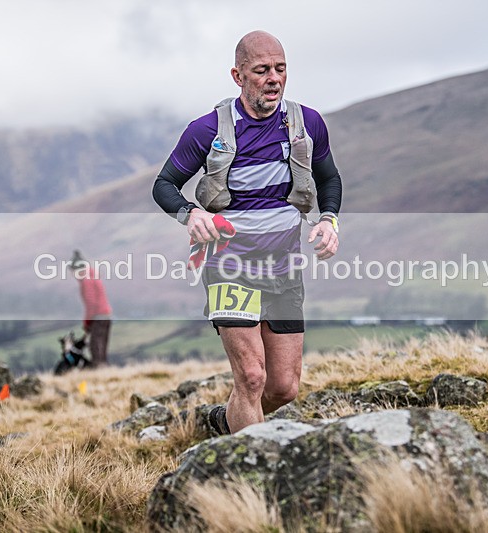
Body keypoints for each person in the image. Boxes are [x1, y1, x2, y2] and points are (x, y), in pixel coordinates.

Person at [152, 31, 342, 434]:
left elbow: (329, 179)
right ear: (238, 76)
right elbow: (164, 185)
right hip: (229, 265)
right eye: (262, 70)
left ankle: (223, 424)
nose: (274, 78)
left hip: (284, 268)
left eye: (281, 68)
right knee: (251, 378)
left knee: (283, 388)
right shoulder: (206, 131)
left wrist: (329, 220)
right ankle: (248, 483)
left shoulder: (306, 123)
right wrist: (190, 214)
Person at [68, 250, 112, 366]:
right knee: (102, 344)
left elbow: (91, 304)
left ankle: (98, 367)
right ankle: (103, 366)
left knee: (95, 345)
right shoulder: (93, 277)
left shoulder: (86, 282)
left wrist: (87, 322)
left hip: (98, 316)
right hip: (106, 315)